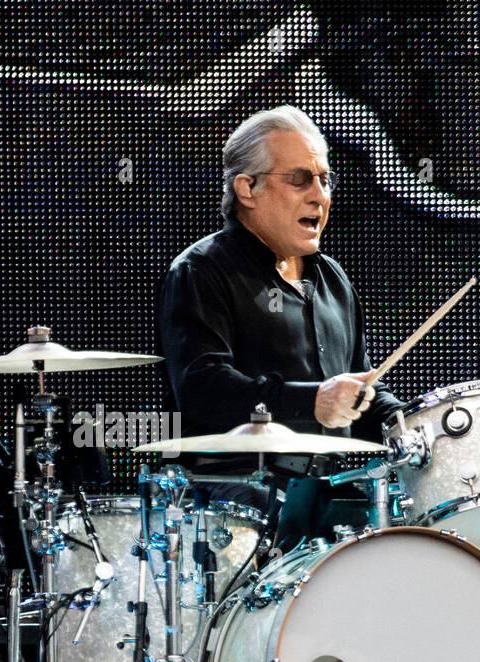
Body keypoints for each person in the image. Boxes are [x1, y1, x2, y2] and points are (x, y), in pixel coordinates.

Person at [156, 105, 403, 517]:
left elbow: (360, 392)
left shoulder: (333, 279)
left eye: (325, 180)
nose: (319, 195)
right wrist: (312, 402)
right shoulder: (202, 270)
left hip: (328, 493)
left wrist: (414, 425)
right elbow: (204, 389)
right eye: (300, 179)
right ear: (247, 189)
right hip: (233, 499)